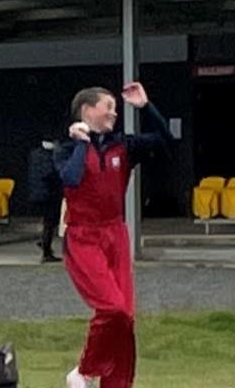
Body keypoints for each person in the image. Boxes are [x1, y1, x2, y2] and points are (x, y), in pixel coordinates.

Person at [55, 82, 173, 388]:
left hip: (115, 233)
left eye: (116, 108)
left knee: (126, 319)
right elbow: (70, 178)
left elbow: (164, 141)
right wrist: (82, 143)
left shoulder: (123, 145)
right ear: (87, 110)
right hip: (83, 235)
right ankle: (83, 370)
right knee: (112, 308)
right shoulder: (65, 148)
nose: (114, 113)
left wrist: (146, 107)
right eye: (108, 107)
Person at [28, 138, 64, 263]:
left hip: (38, 193)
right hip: (49, 194)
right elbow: (51, 174)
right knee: (50, 222)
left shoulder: (35, 155)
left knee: (47, 221)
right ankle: (46, 247)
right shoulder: (50, 157)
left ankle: (44, 242)